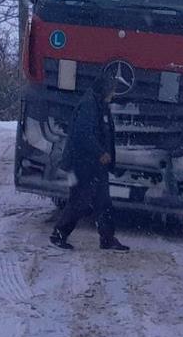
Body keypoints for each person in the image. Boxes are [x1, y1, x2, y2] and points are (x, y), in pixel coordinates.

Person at [49, 64, 131, 251]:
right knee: (79, 201)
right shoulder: (89, 105)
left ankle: (107, 239)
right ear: (104, 89)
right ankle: (59, 234)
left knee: (103, 203)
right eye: (112, 90)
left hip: (95, 165)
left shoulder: (99, 104)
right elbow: (83, 134)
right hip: (83, 163)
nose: (114, 94)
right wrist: (100, 152)